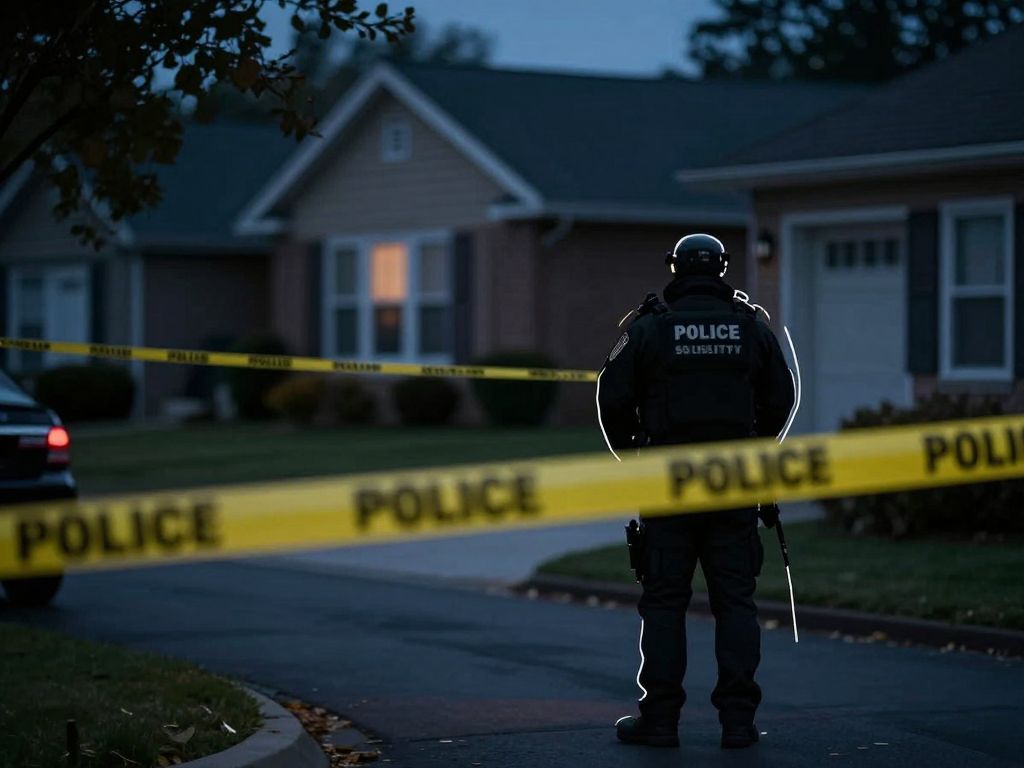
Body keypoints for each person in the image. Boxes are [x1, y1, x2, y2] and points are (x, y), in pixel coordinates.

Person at [596, 233, 795, 750]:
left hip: (668, 485)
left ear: (676, 269)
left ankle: (659, 721)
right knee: (736, 603)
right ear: (724, 269)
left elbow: (610, 396)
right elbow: (782, 398)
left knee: (663, 603)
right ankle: (738, 723)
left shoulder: (647, 329)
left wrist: (632, 456)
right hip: (734, 485)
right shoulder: (753, 328)